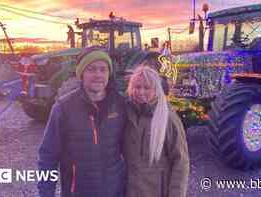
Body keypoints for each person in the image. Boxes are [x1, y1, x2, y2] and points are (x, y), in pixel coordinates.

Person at [37, 48, 127, 197]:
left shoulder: (120, 104)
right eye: (91, 69)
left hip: (115, 192)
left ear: (109, 74)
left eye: (103, 69)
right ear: (81, 74)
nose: (98, 75)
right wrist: (46, 193)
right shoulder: (63, 108)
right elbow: (48, 157)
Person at [123, 66, 190, 197]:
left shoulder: (168, 118)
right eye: (137, 87)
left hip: (157, 191)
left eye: (147, 88)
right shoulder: (125, 112)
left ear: (156, 90)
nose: (141, 92)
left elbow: (181, 162)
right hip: (130, 191)